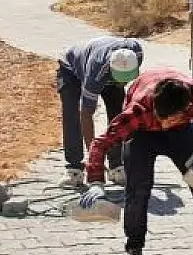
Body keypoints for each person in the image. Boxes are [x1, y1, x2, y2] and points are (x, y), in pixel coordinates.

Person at [79, 68, 193, 255]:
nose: (164, 124)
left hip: (181, 133)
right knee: (138, 189)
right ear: (155, 107)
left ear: (187, 109)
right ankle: (134, 248)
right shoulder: (138, 111)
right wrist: (95, 181)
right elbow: (102, 143)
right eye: (161, 117)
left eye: (170, 119)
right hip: (143, 134)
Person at [56, 37, 144, 188]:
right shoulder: (95, 72)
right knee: (72, 113)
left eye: (126, 79)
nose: (123, 83)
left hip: (104, 66)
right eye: (120, 79)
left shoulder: (136, 52)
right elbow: (86, 114)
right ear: (111, 69)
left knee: (119, 115)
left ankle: (116, 166)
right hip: (71, 70)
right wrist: (95, 158)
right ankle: (74, 169)